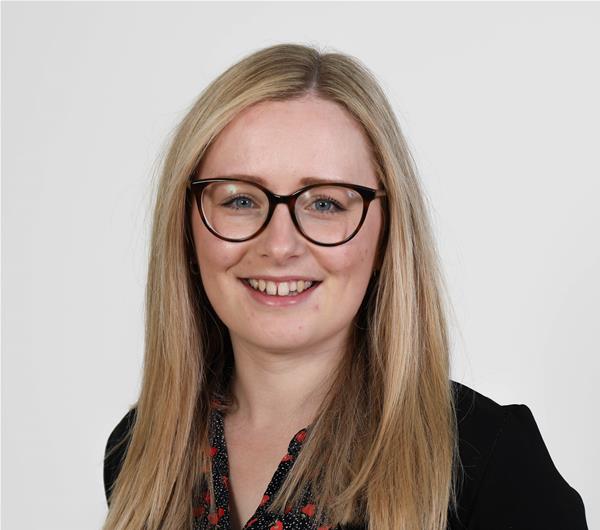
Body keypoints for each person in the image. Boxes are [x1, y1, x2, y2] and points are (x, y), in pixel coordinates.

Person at [102, 43, 588, 530]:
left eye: (326, 204)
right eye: (240, 200)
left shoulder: (492, 464)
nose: (279, 245)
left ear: (385, 235)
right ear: (186, 228)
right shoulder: (140, 450)